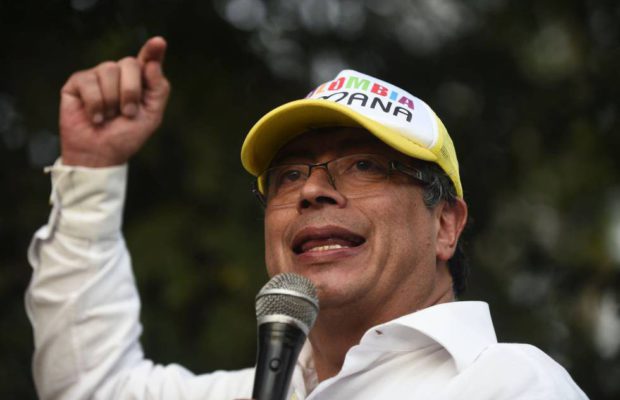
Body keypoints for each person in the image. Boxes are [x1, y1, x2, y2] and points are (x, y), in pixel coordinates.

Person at [26, 37, 588, 399]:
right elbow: (89, 384)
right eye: (289, 175)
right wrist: (92, 167)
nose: (313, 189)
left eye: (364, 165)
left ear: (445, 225)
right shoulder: (249, 391)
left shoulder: (511, 384)